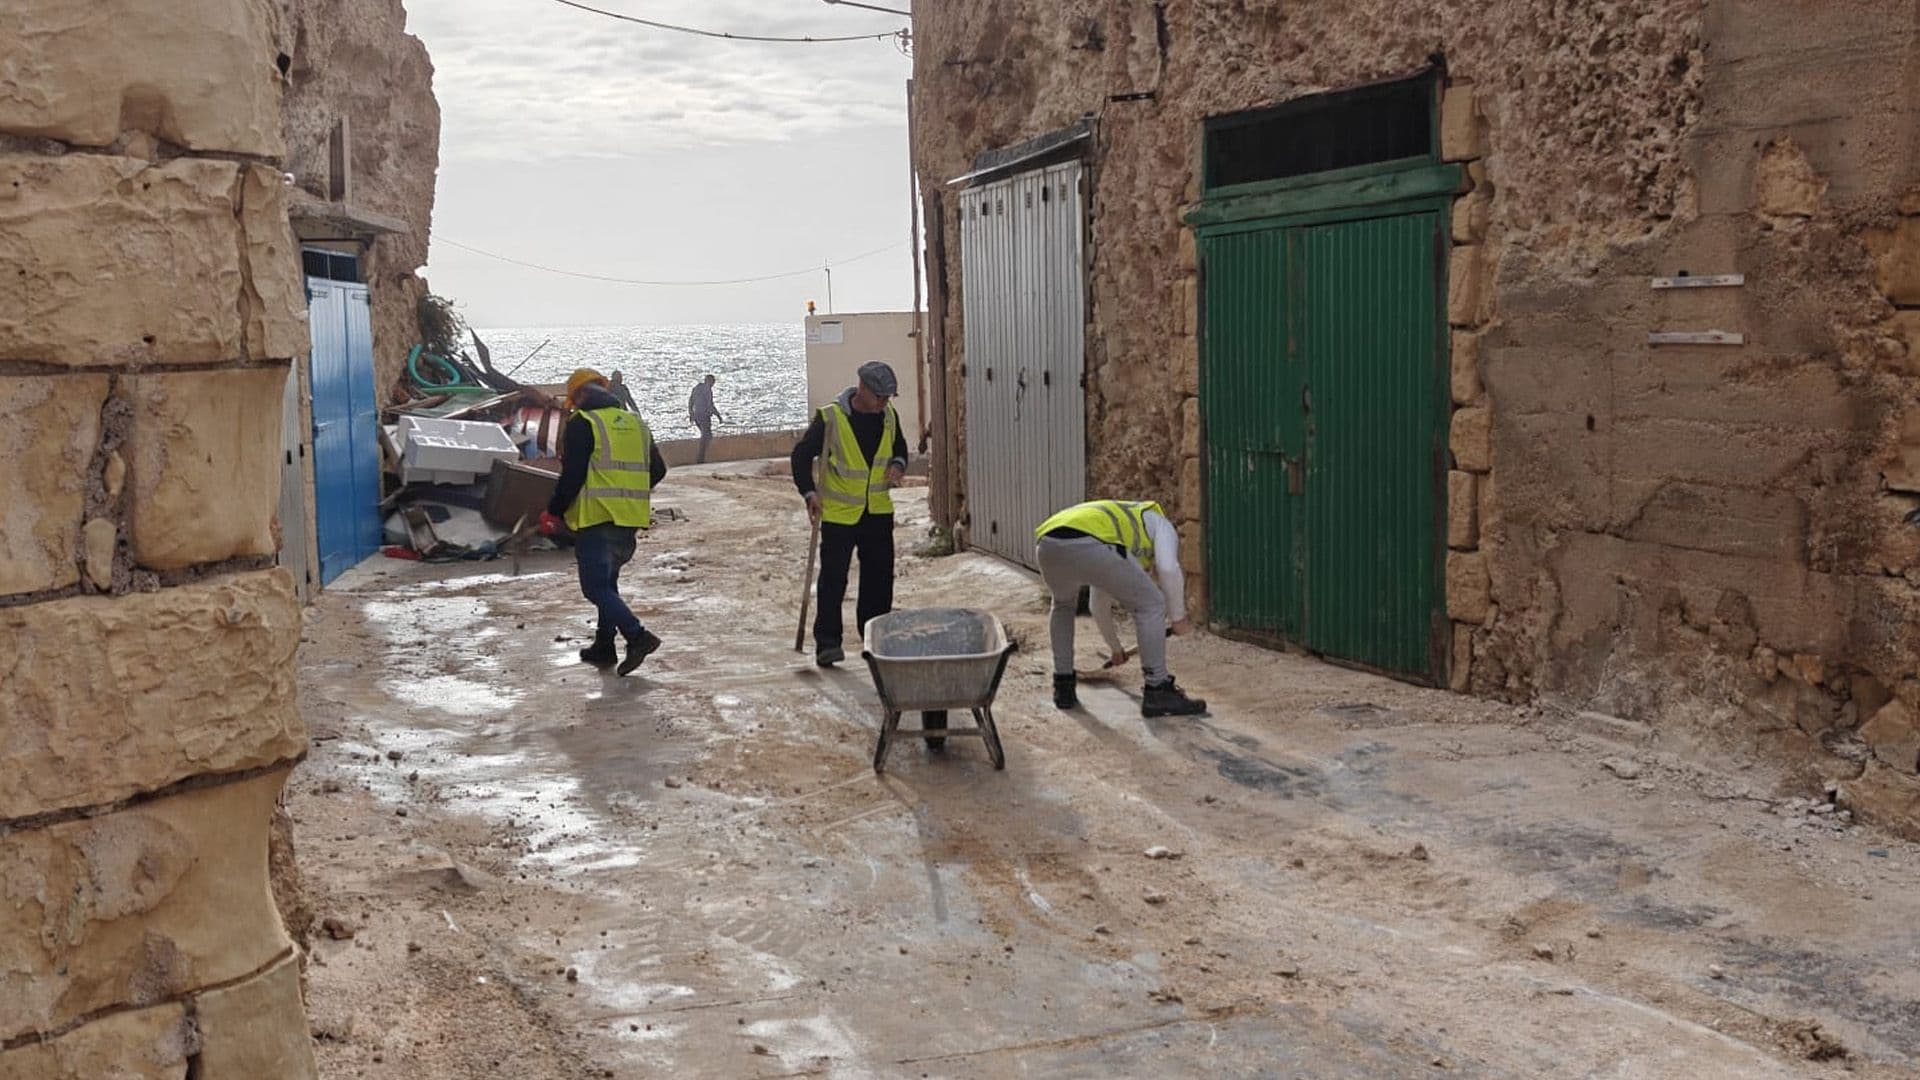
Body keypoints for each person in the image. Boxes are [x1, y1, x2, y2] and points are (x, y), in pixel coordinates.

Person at [540, 367, 669, 676]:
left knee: (595, 587)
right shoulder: (637, 424)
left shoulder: (583, 422)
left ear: (580, 395)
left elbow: (573, 475)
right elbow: (659, 470)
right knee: (608, 585)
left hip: (597, 518)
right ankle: (604, 645)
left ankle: (637, 636)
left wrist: (554, 511)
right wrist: (631, 491)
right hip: (629, 520)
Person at [1034, 499, 1207, 717]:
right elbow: (1168, 568)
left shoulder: (1113, 526)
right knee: (1152, 604)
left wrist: (1116, 649)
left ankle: (1063, 686)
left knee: (1062, 606)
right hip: (1090, 543)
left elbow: (1097, 605)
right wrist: (1178, 618)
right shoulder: (1160, 523)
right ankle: (1158, 689)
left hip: (1048, 544)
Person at [791, 361, 907, 666]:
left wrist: (897, 465)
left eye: (888, 398)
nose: (884, 402)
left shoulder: (888, 417)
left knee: (879, 579)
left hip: (878, 512)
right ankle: (828, 643)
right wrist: (809, 492)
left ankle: (875, 639)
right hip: (839, 514)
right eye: (880, 396)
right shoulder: (831, 417)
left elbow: (900, 449)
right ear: (862, 388)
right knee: (833, 580)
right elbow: (801, 455)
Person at [688, 374, 723, 464]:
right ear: (709, 381)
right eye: (713, 382)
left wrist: (691, 413)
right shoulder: (708, 390)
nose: (713, 384)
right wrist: (718, 416)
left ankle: (702, 456)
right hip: (704, 416)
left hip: (697, 416)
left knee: (706, 435)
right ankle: (700, 458)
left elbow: (691, 401)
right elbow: (710, 405)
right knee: (707, 436)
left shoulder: (696, 388)